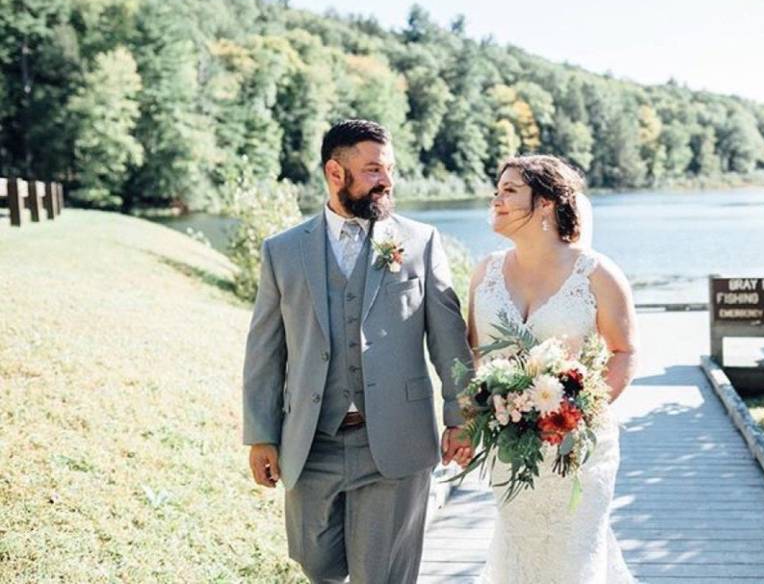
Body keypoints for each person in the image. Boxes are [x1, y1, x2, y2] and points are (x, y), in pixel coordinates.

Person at [242, 119, 474, 584]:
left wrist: (461, 415)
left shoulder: (421, 243)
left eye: (388, 169)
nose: (385, 180)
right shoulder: (282, 251)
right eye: (372, 170)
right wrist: (261, 433)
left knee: (382, 577)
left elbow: (449, 340)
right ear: (335, 172)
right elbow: (265, 352)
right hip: (311, 444)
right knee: (315, 564)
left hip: (394, 442)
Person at [468, 155, 639, 583]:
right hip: (511, 445)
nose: (497, 200)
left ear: (545, 204)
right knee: (517, 553)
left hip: (577, 449)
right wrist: (475, 412)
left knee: (574, 558)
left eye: (510, 191)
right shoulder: (485, 272)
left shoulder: (597, 273)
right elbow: (473, 353)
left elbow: (624, 352)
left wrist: (576, 413)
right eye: (497, 190)